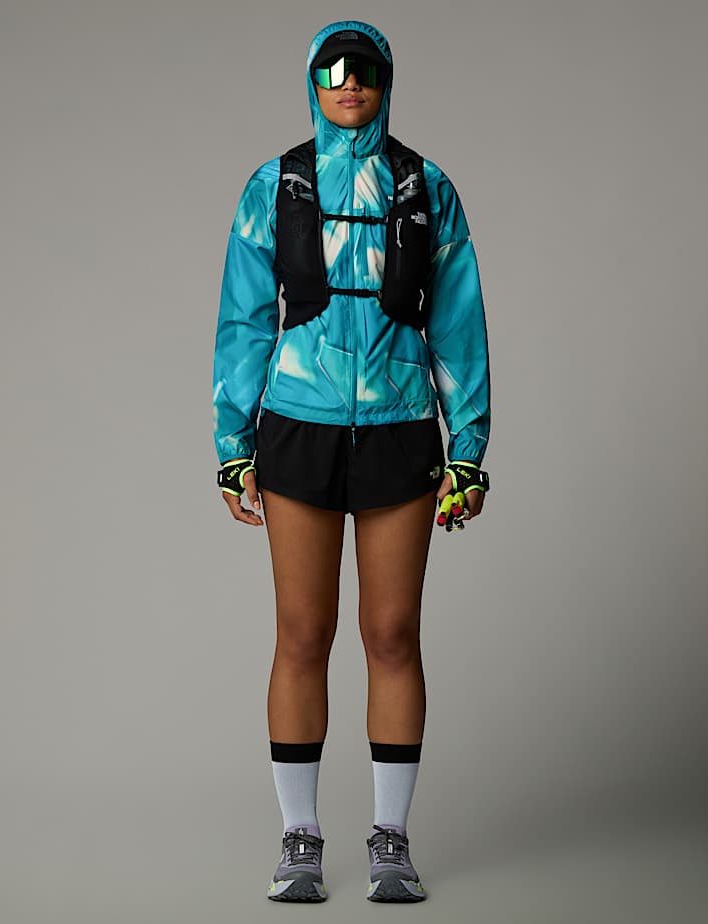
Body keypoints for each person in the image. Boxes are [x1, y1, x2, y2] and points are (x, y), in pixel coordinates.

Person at [211, 20, 491, 903]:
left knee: (392, 634)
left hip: (403, 428)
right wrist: (231, 445)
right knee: (302, 634)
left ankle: (391, 840)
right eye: (331, 69)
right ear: (311, 82)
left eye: (363, 68)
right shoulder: (274, 186)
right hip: (298, 426)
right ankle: (300, 839)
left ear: (386, 80)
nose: (348, 81)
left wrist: (468, 450)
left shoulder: (428, 187)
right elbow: (245, 320)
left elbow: (458, 324)